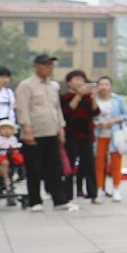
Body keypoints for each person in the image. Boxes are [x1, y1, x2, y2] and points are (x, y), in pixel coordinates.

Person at [17, 54, 76, 211]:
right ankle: (35, 201)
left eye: (51, 65)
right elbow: (22, 109)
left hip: (52, 132)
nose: (49, 67)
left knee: (55, 168)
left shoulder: (53, 87)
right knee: (34, 169)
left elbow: (57, 110)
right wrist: (27, 130)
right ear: (36, 65)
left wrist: (61, 130)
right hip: (34, 133)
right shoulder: (26, 85)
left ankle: (60, 200)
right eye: (46, 64)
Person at [59, 69, 99, 203]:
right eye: (76, 79)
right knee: (69, 166)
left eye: (82, 80)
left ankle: (94, 194)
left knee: (89, 165)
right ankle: (69, 196)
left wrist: (92, 97)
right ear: (69, 82)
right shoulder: (64, 97)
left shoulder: (88, 97)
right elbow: (66, 113)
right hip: (71, 136)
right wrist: (78, 96)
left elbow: (95, 112)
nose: (80, 82)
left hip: (87, 135)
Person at [92, 76, 127, 201]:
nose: (104, 87)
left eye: (106, 84)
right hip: (99, 135)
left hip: (115, 135)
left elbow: (126, 114)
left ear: (110, 86)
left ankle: (116, 189)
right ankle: (100, 189)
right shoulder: (94, 100)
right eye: (101, 84)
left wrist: (115, 120)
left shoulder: (118, 99)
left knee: (116, 163)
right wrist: (95, 122)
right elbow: (89, 115)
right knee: (99, 164)